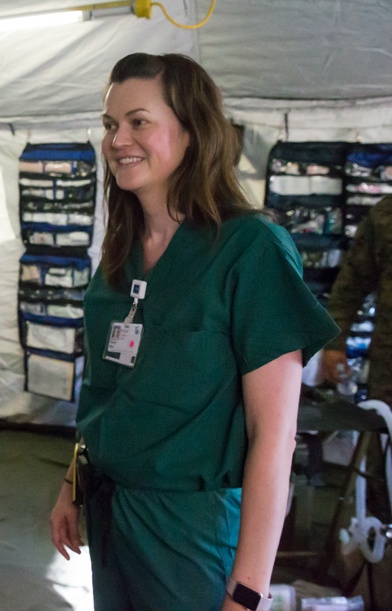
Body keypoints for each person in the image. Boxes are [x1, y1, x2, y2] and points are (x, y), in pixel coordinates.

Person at [49, 54, 339, 610]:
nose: (118, 139)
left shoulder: (250, 251)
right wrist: (72, 485)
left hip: (190, 530)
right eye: (111, 125)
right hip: (112, 516)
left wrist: (248, 591)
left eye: (139, 121)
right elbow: (109, 395)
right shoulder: (119, 257)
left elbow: (272, 438)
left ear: (191, 130)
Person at [322, 194, 392, 406]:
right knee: (382, 429)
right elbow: (351, 284)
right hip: (388, 368)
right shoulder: (385, 215)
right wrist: (334, 342)